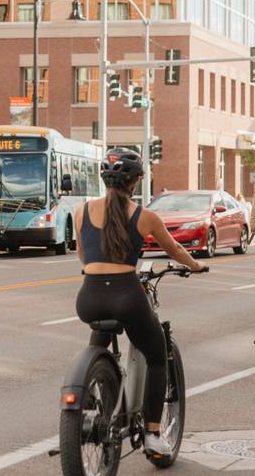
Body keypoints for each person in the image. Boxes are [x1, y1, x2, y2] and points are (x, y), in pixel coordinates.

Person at [74, 148, 206, 456]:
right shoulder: (145, 216)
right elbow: (173, 249)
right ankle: (152, 433)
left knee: (98, 347)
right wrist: (196, 265)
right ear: (136, 181)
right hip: (126, 296)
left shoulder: (81, 211)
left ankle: (97, 395)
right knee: (158, 354)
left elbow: (82, 254)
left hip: (89, 297)